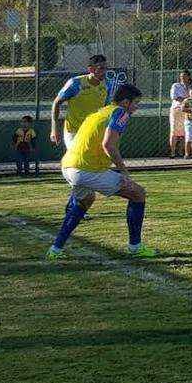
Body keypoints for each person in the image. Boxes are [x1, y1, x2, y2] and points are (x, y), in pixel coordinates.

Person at [47, 83, 155, 260]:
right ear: (126, 102)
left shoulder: (100, 112)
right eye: (136, 102)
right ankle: (135, 247)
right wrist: (124, 173)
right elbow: (108, 145)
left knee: (85, 201)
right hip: (86, 170)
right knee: (138, 194)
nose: (137, 106)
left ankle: (55, 249)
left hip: (68, 166)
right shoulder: (121, 113)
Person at [50, 54, 110, 147]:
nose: (105, 72)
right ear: (91, 69)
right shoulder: (75, 83)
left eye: (106, 68)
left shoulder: (106, 85)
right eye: (101, 68)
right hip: (74, 132)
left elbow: (105, 108)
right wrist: (54, 129)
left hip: (93, 131)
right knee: (77, 159)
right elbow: (56, 103)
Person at [168, 71, 191, 158]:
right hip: (176, 110)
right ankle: (173, 153)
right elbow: (175, 97)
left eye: (185, 76)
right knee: (174, 132)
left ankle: (181, 152)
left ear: (188, 77)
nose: (183, 77)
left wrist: (187, 102)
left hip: (186, 111)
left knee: (185, 132)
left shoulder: (190, 87)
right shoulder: (176, 85)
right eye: (181, 76)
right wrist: (186, 101)